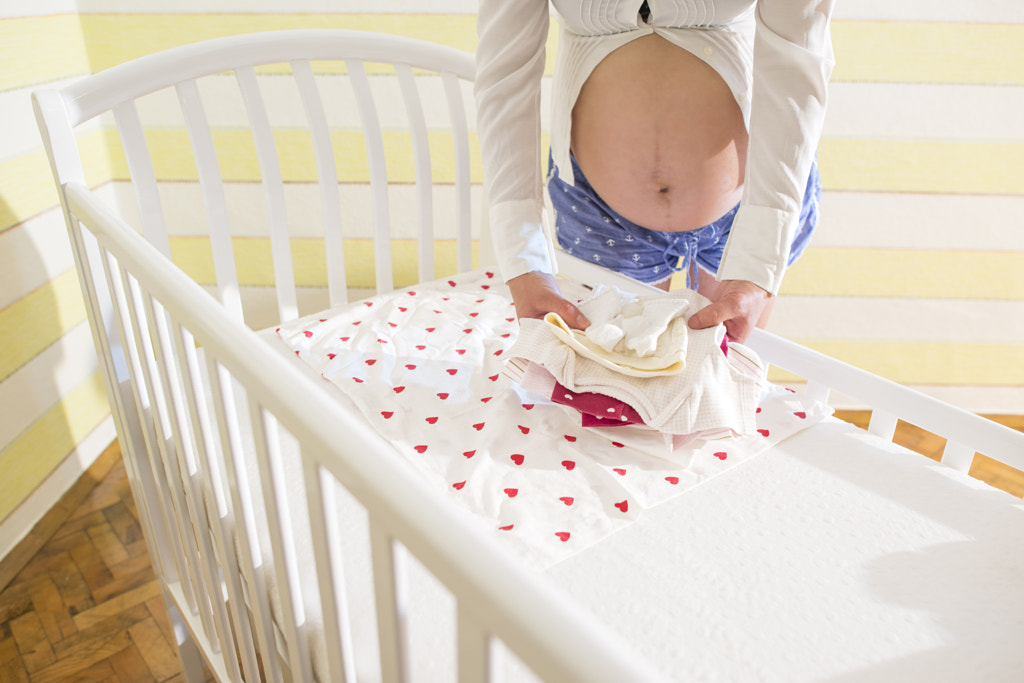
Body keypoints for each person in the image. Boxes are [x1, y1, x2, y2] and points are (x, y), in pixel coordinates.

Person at [475, 0, 835, 343]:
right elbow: (505, 72)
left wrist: (758, 266)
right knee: (611, 380)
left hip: (750, 205)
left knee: (727, 374)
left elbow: (796, 64)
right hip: (600, 214)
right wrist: (523, 259)